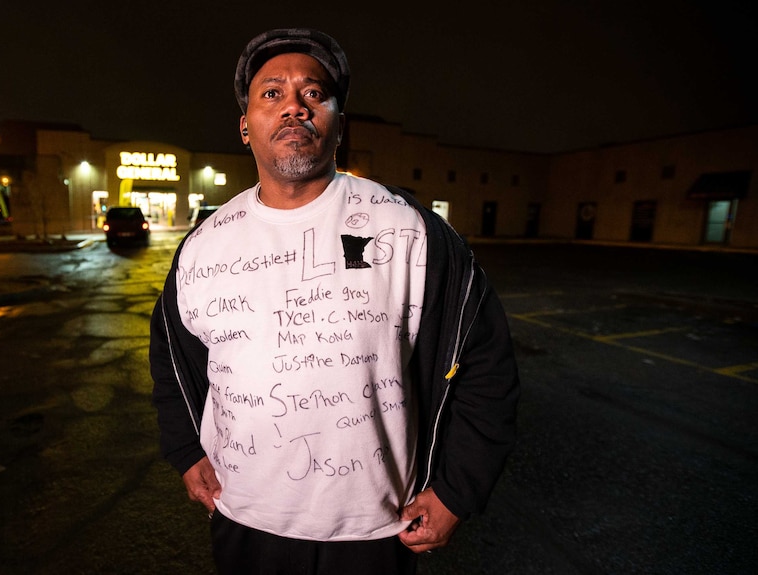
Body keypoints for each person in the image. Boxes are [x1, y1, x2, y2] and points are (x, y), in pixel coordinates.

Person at [150, 28, 520, 574]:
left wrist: (456, 492)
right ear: (245, 127)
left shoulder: (411, 230)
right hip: (245, 520)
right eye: (271, 93)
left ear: (338, 125)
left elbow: (487, 364)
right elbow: (171, 358)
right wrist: (187, 452)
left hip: (375, 531)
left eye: (314, 94)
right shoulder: (204, 246)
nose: (294, 106)